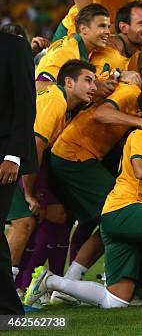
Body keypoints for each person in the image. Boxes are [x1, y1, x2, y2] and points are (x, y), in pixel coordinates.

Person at [25, 85, 142, 309]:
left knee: (116, 300)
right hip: (123, 209)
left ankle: (50, 281)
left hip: (124, 217)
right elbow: (141, 170)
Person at [6, 60, 97, 301]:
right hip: (8, 155)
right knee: (23, 221)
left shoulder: (57, 99)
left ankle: (11, 290)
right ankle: (8, 292)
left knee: (25, 221)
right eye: (88, 80)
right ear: (68, 82)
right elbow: (34, 145)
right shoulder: (56, 102)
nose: (94, 87)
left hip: (10, 152)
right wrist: (28, 193)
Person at [0, 32, 36, 315]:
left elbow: (25, 104)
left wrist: (13, 156)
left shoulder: (13, 46)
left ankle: (9, 311)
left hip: (3, 158)